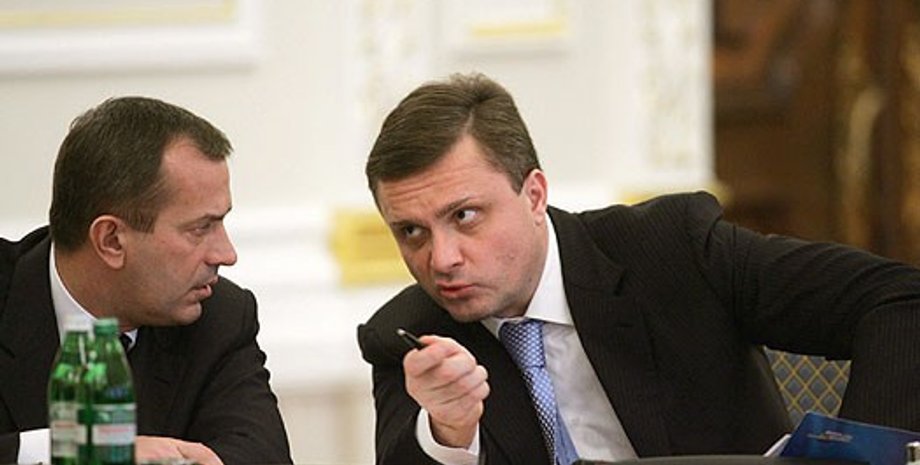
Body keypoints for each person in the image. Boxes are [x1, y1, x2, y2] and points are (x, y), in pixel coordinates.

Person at [356, 72, 920, 465]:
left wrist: (860, 456)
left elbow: (897, 298)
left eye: (465, 216)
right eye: (412, 232)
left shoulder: (670, 251)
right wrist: (450, 432)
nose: (442, 259)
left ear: (534, 194)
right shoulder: (408, 338)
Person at [0, 97, 292, 465]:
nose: (226, 254)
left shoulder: (220, 317)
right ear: (111, 240)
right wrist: (79, 451)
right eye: (200, 228)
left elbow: (260, 453)